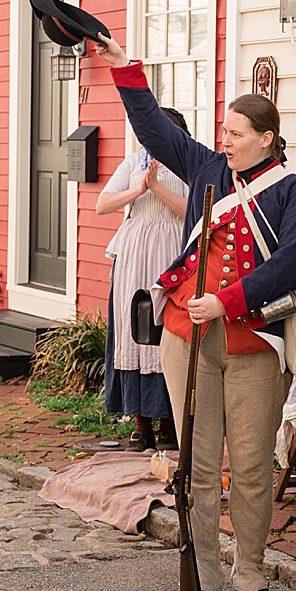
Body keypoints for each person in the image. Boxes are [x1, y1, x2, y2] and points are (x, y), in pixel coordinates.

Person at [93, 36, 296, 591]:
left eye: (237, 132)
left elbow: (293, 262)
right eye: (223, 130)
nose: (225, 139)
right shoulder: (206, 168)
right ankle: (203, 570)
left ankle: (250, 574)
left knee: (247, 464)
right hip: (184, 337)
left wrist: (228, 301)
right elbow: (153, 131)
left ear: (267, 139)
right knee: (194, 460)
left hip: (253, 342)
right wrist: (126, 68)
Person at [97, 109, 189, 452]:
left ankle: (168, 424)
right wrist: (138, 189)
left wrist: (156, 188)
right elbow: (102, 204)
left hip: (171, 249)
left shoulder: (189, 163)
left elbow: (194, 210)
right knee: (134, 329)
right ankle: (140, 425)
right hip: (134, 252)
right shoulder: (134, 162)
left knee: (167, 329)